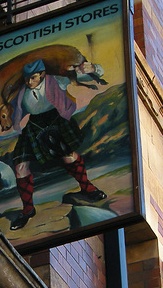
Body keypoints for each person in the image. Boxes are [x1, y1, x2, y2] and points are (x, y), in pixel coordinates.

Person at [9, 59, 105, 230]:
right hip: (34, 125)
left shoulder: (56, 80)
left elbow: (83, 76)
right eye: (26, 79)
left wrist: (95, 68)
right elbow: (8, 106)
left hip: (54, 118)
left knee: (68, 156)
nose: (29, 82)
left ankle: (87, 188)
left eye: (33, 78)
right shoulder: (21, 93)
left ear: (42, 74)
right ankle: (28, 210)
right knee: (21, 167)